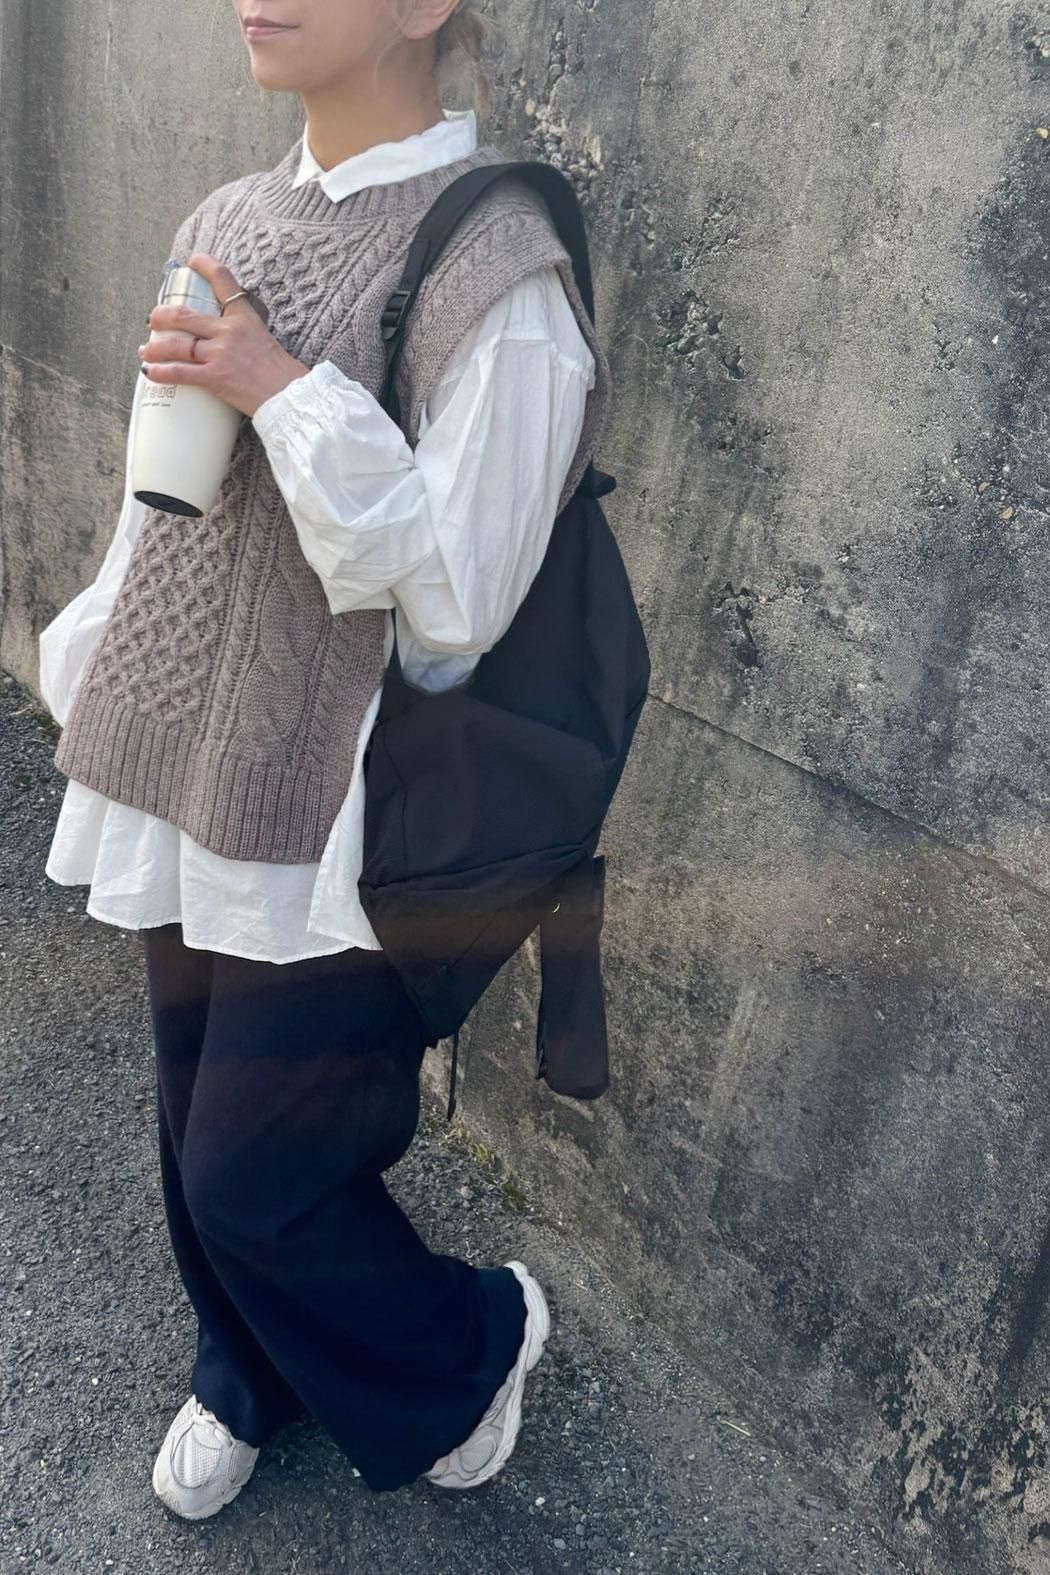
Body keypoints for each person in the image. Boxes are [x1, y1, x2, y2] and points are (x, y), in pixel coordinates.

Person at [37, 0, 612, 1522]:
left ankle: (473, 1341)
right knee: (189, 1126)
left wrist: (282, 385)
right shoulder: (225, 219)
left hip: (348, 812)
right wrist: (96, 646)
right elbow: (171, 501)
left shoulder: (500, 272)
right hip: (184, 754)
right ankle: (247, 1372)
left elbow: (460, 595)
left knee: (257, 1170)